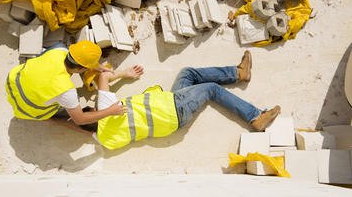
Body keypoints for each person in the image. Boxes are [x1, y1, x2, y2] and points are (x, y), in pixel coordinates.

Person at [93, 51, 281, 150]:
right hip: (174, 108)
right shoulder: (104, 110)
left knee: (187, 73)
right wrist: (124, 73)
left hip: (171, 110)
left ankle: (240, 73)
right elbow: (103, 77)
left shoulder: (106, 140)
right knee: (212, 89)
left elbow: (82, 123)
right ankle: (255, 117)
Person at [5, 40, 127, 124]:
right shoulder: (66, 91)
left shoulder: (59, 49)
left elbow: (76, 59)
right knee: (81, 111)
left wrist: (95, 66)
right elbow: (80, 119)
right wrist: (111, 111)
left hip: (13, 83)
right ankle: (52, 119)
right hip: (29, 109)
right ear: (81, 69)